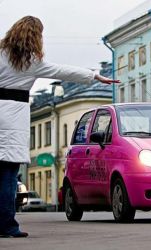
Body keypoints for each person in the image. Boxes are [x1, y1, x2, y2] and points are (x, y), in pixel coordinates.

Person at [0, 16, 120, 238]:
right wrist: (94, 76)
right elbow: (62, 71)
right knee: (8, 176)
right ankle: (7, 225)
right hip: (13, 117)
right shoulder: (30, 61)